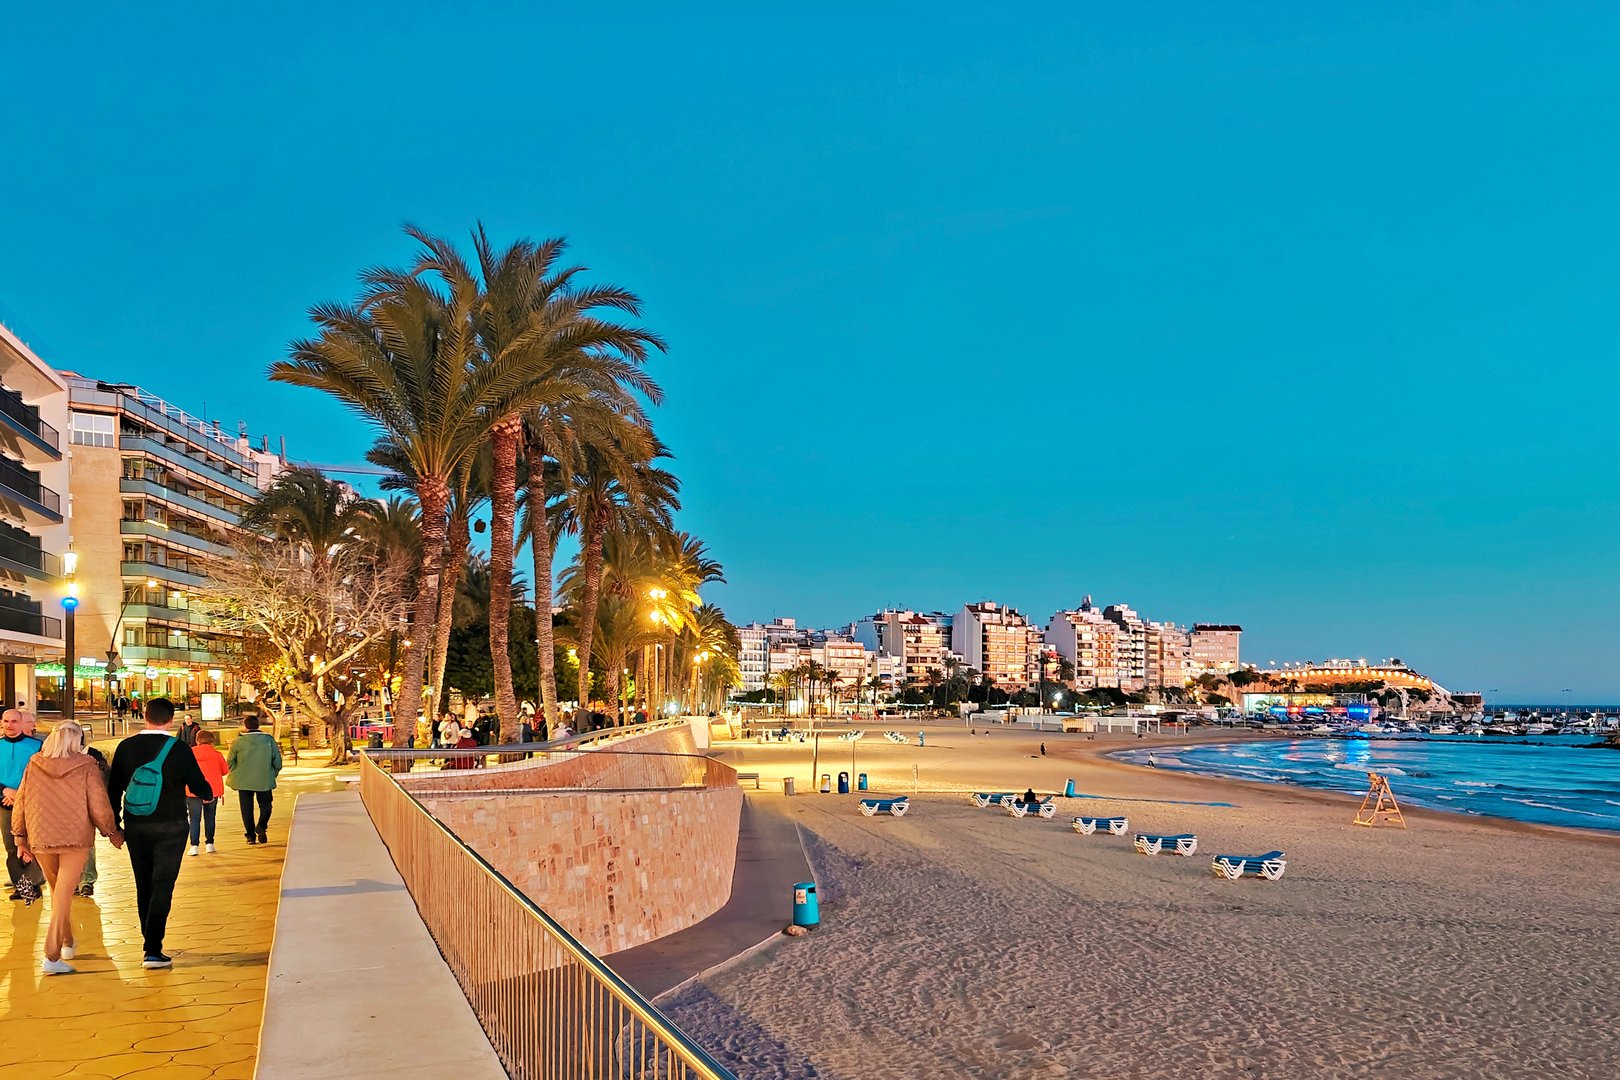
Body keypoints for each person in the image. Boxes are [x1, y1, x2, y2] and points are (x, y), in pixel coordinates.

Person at [10, 721, 123, 974]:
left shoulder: (35, 763)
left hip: (41, 836)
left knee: (57, 892)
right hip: (75, 837)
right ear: (76, 740)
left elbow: (22, 800)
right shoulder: (86, 765)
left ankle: (68, 942)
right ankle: (51, 955)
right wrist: (111, 831)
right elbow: (98, 804)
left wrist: (20, 836)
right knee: (62, 894)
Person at [108, 697, 212, 968]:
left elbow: (113, 788)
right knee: (163, 885)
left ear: (144, 715)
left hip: (136, 826)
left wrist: (115, 826)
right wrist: (207, 795)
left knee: (143, 884)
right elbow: (199, 784)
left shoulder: (126, 747)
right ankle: (153, 949)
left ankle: (149, 944)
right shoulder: (178, 748)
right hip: (171, 826)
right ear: (171, 719)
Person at [1, 708, 45, 901]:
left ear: (21, 723)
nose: (10, 725)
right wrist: (4, 791)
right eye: (6, 721)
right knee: (11, 847)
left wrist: (21, 794)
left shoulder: (37, 746)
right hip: (4, 803)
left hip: (31, 803)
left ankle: (34, 882)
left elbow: (43, 776)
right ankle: (24, 888)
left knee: (33, 845)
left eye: (14, 721)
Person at [226, 715, 283, 846]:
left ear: (245, 726)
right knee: (266, 805)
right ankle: (262, 826)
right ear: (258, 726)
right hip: (264, 779)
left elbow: (230, 762)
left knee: (246, 809)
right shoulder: (268, 740)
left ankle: (250, 836)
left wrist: (237, 772)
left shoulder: (237, 742)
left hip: (243, 780)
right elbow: (277, 761)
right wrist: (271, 773)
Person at [77, 742, 111, 898]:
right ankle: (73, 881)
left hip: (88, 804)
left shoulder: (94, 755)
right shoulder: (58, 754)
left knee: (87, 843)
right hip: (66, 807)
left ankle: (87, 880)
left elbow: (105, 778)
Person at [187, 730, 227, 856]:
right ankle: (210, 844)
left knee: (194, 819)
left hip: (193, 791)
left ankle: (194, 846)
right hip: (212, 791)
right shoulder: (217, 754)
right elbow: (225, 770)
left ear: (197, 740)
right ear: (212, 740)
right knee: (210, 817)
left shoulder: (190, 753)